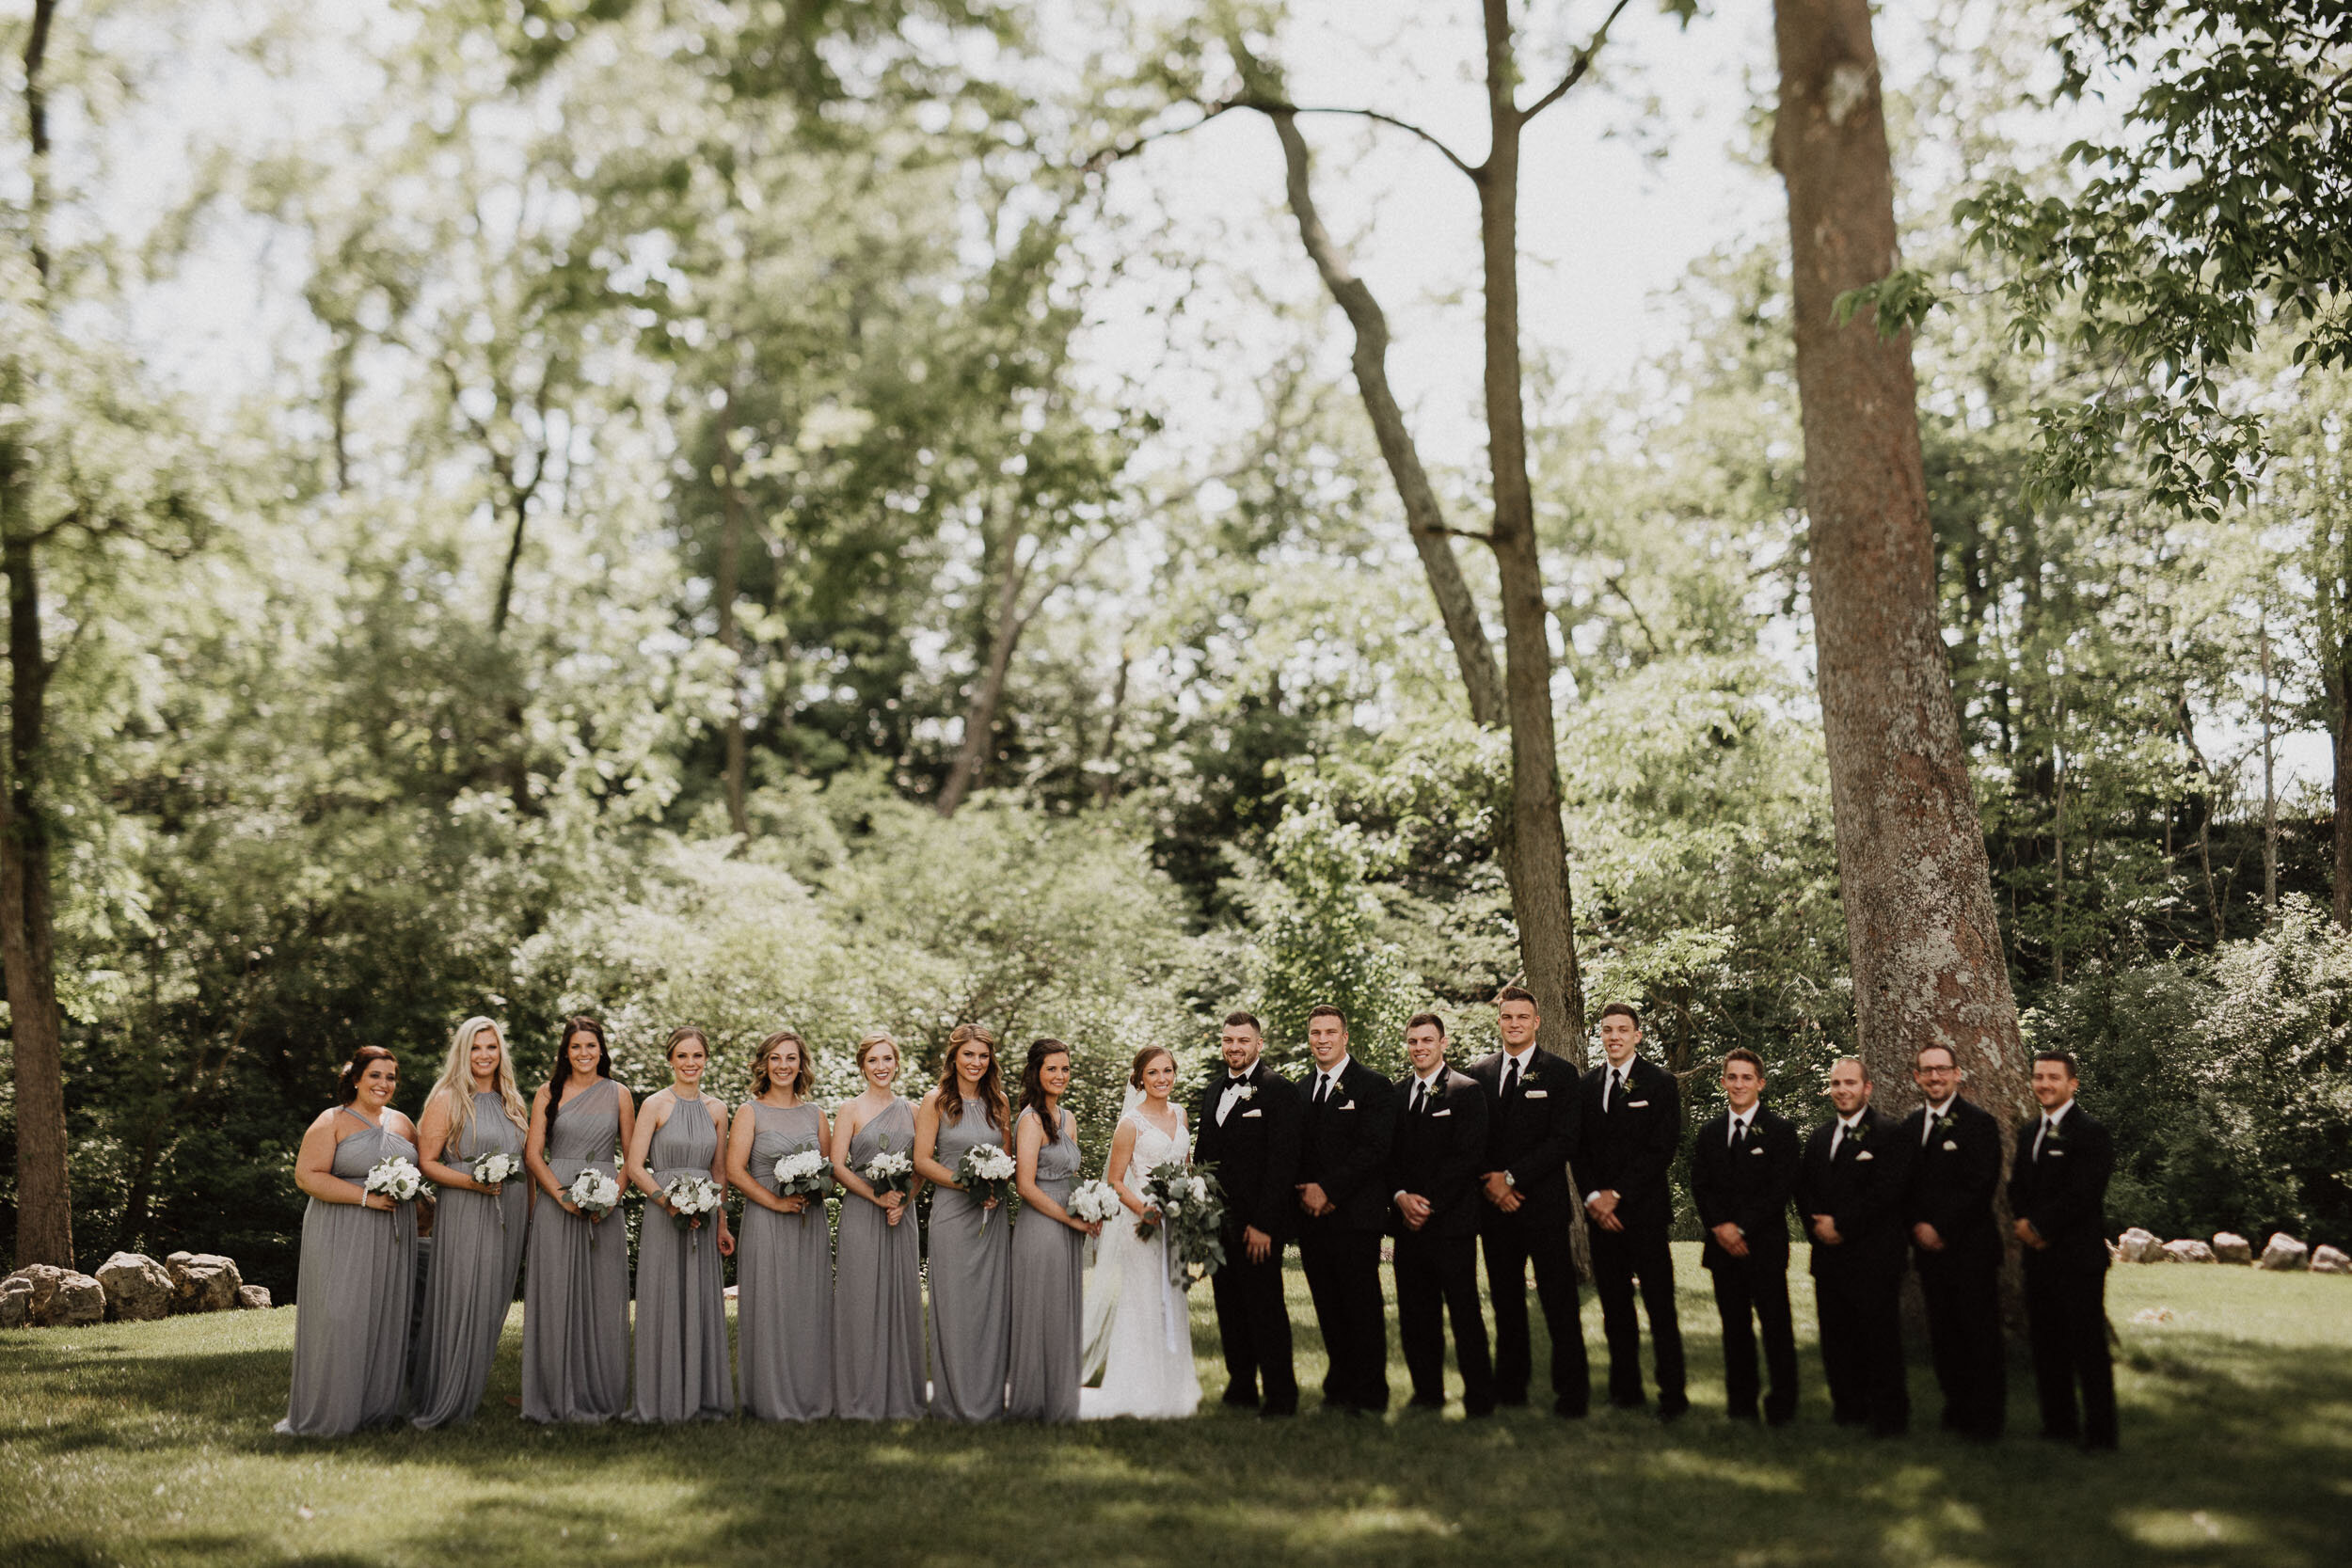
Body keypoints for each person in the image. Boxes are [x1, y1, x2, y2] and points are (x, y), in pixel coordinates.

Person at [278, 1046, 421, 1435]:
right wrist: (365, 1197)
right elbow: (307, 1176)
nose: (384, 1084)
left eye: (391, 1077)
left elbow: (423, 1172)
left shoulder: (404, 1124)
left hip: (394, 1233)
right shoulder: (332, 1121)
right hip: (342, 1228)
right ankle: (330, 1412)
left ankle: (377, 1410)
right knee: (340, 1316)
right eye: (375, 1075)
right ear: (355, 1078)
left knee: (387, 1315)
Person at [1463, 984, 1589, 1418]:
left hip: (1544, 1208)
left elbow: (1564, 1140)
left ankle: (1572, 1392)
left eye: (1522, 1017)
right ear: (1499, 1021)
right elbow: (1470, 1139)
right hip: (1495, 1209)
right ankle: (1511, 1386)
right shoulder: (1478, 1073)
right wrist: (1492, 1184)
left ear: (1536, 1022)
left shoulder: (1561, 1073)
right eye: (1507, 1016)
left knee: (1559, 1302)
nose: (1514, 1023)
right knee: (1506, 1300)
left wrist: (1513, 1178)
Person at [409, 1015, 532, 1429]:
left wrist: (530, 1217)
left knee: (493, 1303)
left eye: (492, 1047)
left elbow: (528, 1164)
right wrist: (472, 1183)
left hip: (510, 1211)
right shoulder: (447, 1098)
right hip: (466, 1207)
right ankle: (446, 1398)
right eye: (476, 1047)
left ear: (501, 1053)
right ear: (464, 1052)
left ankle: (469, 1391)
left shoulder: (512, 1099)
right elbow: (427, 1163)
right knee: (463, 1300)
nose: (484, 1055)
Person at [1576, 1003, 1688, 1419]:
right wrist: (1593, 1198)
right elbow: (1579, 1149)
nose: (1614, 1037)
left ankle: (1672, 1395)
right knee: (1615, 1306)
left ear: (1637, 1036)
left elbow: (1662, 1147)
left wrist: (1618, 1194)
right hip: (1600, 1217)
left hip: (1644, 1213)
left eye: (1623, 1030)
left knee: (1659, 1307)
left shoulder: (1659, 1082)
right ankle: (1626, 1390)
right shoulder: (1586, 1086)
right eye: (1607, 1030)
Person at [521, 1015, 635, 1423]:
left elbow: (631, 1156)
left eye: (591, 1046)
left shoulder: (619, 1093)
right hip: (558, 1200)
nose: (584, 1053)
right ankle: (553, 1394)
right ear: (565, 1053)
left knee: (604, 1297)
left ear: (601, 1050)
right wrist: (560, 1195)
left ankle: (602, 1394)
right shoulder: (547, 1093)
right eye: (576, 1047)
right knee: (556, 1295)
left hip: (605, 1206)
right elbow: (533, 1154)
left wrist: (612, 1197)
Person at [1190, 1009, 1302, 1418]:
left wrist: (1265, 1225)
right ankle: (1241, 1386)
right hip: (1219, 1224)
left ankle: (1281, 1396)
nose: (1234, 1047)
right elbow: (1204, 1157)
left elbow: (1283, 1164)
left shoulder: (1279, 1091)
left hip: (1258, 1225)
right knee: (1229, 1307)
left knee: (1265, 1309)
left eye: (1242, 1041)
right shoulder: (1213, 1089)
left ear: (1259, 1044)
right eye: (1228, 1040)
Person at [1080, 1045, 1202, 1419]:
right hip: (1141, 1226)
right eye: (1153, 1073)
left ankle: (1173, 1387)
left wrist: (1189, 1201)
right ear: (1139, 1078)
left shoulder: (1180, 1114)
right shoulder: (1130, 1123)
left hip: (1176, 1222)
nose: (1162, 1078)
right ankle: (1137, 1389)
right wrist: (1143, 1209)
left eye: (1168, 1071)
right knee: (1145, 1301)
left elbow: (1185, 1167)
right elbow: (1116, 1180)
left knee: (1174, 1300)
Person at [1797, 1055, 1914, 1437]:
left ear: (1867, 1088)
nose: (1842, 1090)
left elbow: (1887, 1193)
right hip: (1828, 1256)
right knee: (1837, 1338)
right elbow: (1804, 1190)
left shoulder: (1888, 1133)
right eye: (1836, 1084)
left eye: (1849, 1083)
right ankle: (1847, 1409)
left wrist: (1842, 1226)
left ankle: (1889, 1418)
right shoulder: (1819, 1136)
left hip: (1874, 1255)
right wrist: (1819, 1226)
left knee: (1879, 1338)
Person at [625, 1025, 736, 1422]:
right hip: (663, 1216)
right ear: (670, 1060)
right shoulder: (654, 1104)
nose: (691, 1064)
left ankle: (701, 1395)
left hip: (704, 1218)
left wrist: (721, 1222)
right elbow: (635, 1167)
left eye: (697, 1056)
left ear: (706, 1060)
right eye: (683, 1056)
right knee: (663, 1299)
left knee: (701, 1302)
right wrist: (666, 1203)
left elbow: (719, 1170)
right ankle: (661, 1396)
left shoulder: (718, 1109)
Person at [1388, 1013, 1496, 1418]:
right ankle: (1427, 1392)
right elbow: (1388, 1157)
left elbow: (1467, 1157)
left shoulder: (1467, 1092)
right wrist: (1400, 1197)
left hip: (1452, 1224)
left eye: (1427, 1040)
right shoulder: (1395, 1095)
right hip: (1407, 1224)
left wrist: (1427, 1203)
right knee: (1416, 1314)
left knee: (1464, 1312)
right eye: (1413, 1041)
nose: (1419, 1047)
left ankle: (1479, 1398)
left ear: (1443, 1043)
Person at [1294, 1004, 1400, 1416]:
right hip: (1313, 1218)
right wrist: (1307, 1193)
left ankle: (1371, 1394)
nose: (1322, 1039)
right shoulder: (1300, 1090)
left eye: (1330, 1032)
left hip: (1356, 1216)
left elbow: (1375, 1149)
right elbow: (1296, 1153)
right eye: (1315, 1032)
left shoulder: (1373, 1086)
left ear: (1345, 1037)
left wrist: (1330, 1190)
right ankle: (1338, 1389)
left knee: (1361, 1305)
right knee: (1327, 1306)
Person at [2010, 1050, 2118, 1451]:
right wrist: (2022, 1222)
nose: (2044, 1084)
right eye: (2039, 1077)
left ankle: (2101, 1433)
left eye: (2053, 1077)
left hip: (2078, 1257)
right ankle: (2058, 1424)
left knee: (2087, 1347)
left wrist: (2040, 1227)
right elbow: (2017, 1186)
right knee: (2047, 1344)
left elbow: (2084, 1194)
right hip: (2038, 1257)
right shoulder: (2028, 1131)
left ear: (2072, 1084)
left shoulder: (2091, 1132)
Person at [1690, 1048, 1801, 1426]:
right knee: (1735, 1329)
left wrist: (1741, 1228)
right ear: (1723, 1082)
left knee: (1775, 1328)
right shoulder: (1709, 1133)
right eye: (1732, 1077)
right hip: (1722, 1249)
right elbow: (1701, 1187)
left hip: (1764, 1245)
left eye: (1746, 1078)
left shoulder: (1781, 1132)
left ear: (1760, 1083)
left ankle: (1782, 1405)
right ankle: (1741, 1405)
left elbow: (1779, 1190)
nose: (1739, 1084)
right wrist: (1720, 1227)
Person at [1900, 1041, 2005, 1441]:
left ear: (1958, 1074)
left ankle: (1987, 1419)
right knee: (1942, 1334)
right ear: (1917, 1078)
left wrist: (1939, 1227)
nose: (1935, 1077)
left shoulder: (1979, 1123)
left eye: (1942, 1069)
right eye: (1927, 1070)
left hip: (1971, 1248)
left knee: (1979, 1335)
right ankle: (1955, 1408)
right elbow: (1902, 1187)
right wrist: (1917, 1227)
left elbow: (1980, 1185)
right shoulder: (1910, 1126)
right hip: (1928, 1251)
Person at [727, 1028, 834, 1421]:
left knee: (809, 1307)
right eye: (775, 1058)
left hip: (809, 1223)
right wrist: (775, 1201)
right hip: (767, 1221)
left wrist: (812, 1185)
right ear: (764, 1064)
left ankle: (812, 1396)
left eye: (790, 1058)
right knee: (770, 1307)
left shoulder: (816, 1114)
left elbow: (829, 1171)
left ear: (800, 1064)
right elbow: (735, 1171)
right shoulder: (749, 1111)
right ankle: (770, 1399)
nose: (783, 1066)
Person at [915, 1022, 1014, 1423]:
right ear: (954, 1057)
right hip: (952, 1216)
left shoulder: (1000, 1102)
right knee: (954, 1307)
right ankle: (953, 1402)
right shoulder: (935, 1100)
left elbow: (1007, 1160)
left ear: (991, 1060)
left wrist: (994, 1184)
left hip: (991, 1215)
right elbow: (923, 1160)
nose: (976, 1062)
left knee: (990, 1306)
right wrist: (965, 1183)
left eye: (983, 1055)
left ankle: (989, 1400)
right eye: (969, 1054)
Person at [831, 1031, 924, 1419]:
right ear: (862, 1066)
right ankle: (858, 1394)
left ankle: (899, 1393)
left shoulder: (916, 1111)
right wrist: (877, 1197)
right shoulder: (849, 1110)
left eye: (887, 1059)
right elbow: (836, 1166)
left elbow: (921, 1165)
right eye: (873, 1061)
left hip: (901, 1215)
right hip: (862, 1212)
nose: (881, 1067)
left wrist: (904, 1200)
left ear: (897, 1063)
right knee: (860, 1299)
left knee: (900, 1299)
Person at [1008, 1038, 1097, 1422]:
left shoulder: (1068, 1118)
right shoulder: (1029, 1120)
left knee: (1063, 1311)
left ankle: (1060, 1398)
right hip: (1042, 1227)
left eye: (1065, 1068)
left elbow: (1071, 1175)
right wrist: (1069, 1218)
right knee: (1041, 1312)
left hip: (1069, 1223)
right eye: (1052, 1069)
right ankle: (1033, 1402)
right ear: (1036, 1073)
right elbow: (1025, 1186)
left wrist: (1092, 1206)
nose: (1059, 1076)